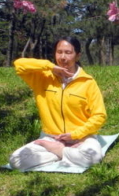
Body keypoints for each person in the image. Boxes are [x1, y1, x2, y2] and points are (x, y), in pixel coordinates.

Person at [9, 37, 107, 171]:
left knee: (94, 158)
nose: (63, 57)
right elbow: (19, 64)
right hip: (51, 137)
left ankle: (58, 152)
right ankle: (63, 153)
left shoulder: (88, 83)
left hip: (81, 139)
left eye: (68, 53)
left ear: (77, 56)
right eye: (59, 52)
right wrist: (50, 66)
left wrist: (75, 134)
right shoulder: (43, 77)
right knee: (16, 160)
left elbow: (99, 116)